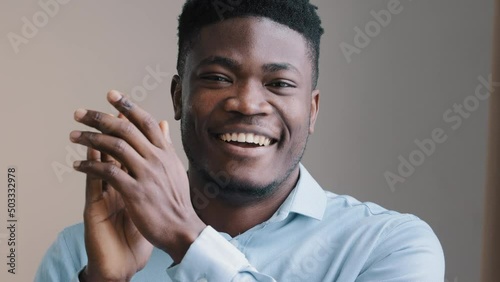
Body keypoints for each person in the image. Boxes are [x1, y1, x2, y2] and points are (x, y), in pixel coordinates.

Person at [35, 0, 445, 281]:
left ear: (313, 110)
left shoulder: (390, 247)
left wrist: (186, 237)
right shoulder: (79, 252)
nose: (248, 103)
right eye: (217, 77)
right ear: (179, 97)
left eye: (280, 83)